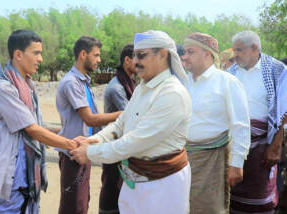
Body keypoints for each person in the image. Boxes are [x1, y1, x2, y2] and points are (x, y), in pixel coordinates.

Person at [71, 30, 192, 214]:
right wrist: (95, 140)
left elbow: (135, 142)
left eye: (141, 55)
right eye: (134, 55)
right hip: (134, 181)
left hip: (162, 186)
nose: (135, 61)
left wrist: (89, 152)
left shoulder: (172, 93)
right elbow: (120, 124)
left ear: (163, 54)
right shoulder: (143, 88)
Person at [0, 29, 78, 214]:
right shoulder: (3, 88)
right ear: (18, 55)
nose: (41, 59)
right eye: (36, 53)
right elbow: (33, 130)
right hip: (12, 176)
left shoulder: (27, 86)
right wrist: (72, 144)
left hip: (28, 174)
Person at [183, 32, 250, 214]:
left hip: (212, 161)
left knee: (210, 209)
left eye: (190, 52)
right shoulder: (182, 83)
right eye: (185, 52)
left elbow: (241, 125)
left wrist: (237, 164)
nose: (185, 57)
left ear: (207, 54)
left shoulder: (227, 82)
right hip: (181, 159)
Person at [55, 36, 121, 214]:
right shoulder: (71, 83)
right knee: (73, 205)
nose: (99, 60)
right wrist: (124, 115)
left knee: (81, 202)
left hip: (83, 149)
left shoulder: (82, 81)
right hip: (73, 151)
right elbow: (90, 119)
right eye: (96, 55)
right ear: (83, 54)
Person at [227, 30, 287, 213]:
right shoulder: (231, 73)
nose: (234, 55)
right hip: (234, 147)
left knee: (260, 200)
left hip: (263, 148)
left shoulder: (277, 71)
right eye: (234, 50)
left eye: (239, 50)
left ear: (254, 48)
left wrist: (276, 146)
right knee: (232, 197)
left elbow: (285, 111)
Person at [100, 44, 136, 214]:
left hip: (121, 143)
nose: (140, 62)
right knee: (111, 185)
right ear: (127, 60)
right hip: (113, 143)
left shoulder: (130, 83)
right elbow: (131, 115)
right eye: (137, 58)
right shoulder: (117, 87)